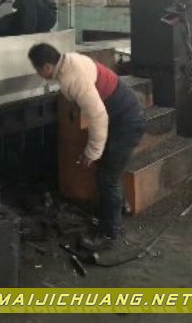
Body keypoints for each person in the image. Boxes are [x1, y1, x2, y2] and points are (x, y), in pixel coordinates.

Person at [27, 43, 147, 251]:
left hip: (126, 121)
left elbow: (98, 116)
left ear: (47, 66)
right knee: (109, 170)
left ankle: (110, 234)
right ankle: (118, 208)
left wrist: (92, 152)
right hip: (121, 114)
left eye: (37, 69)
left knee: (106, 177)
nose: (39, 74)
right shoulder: (69, 60)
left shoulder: (72, 78)